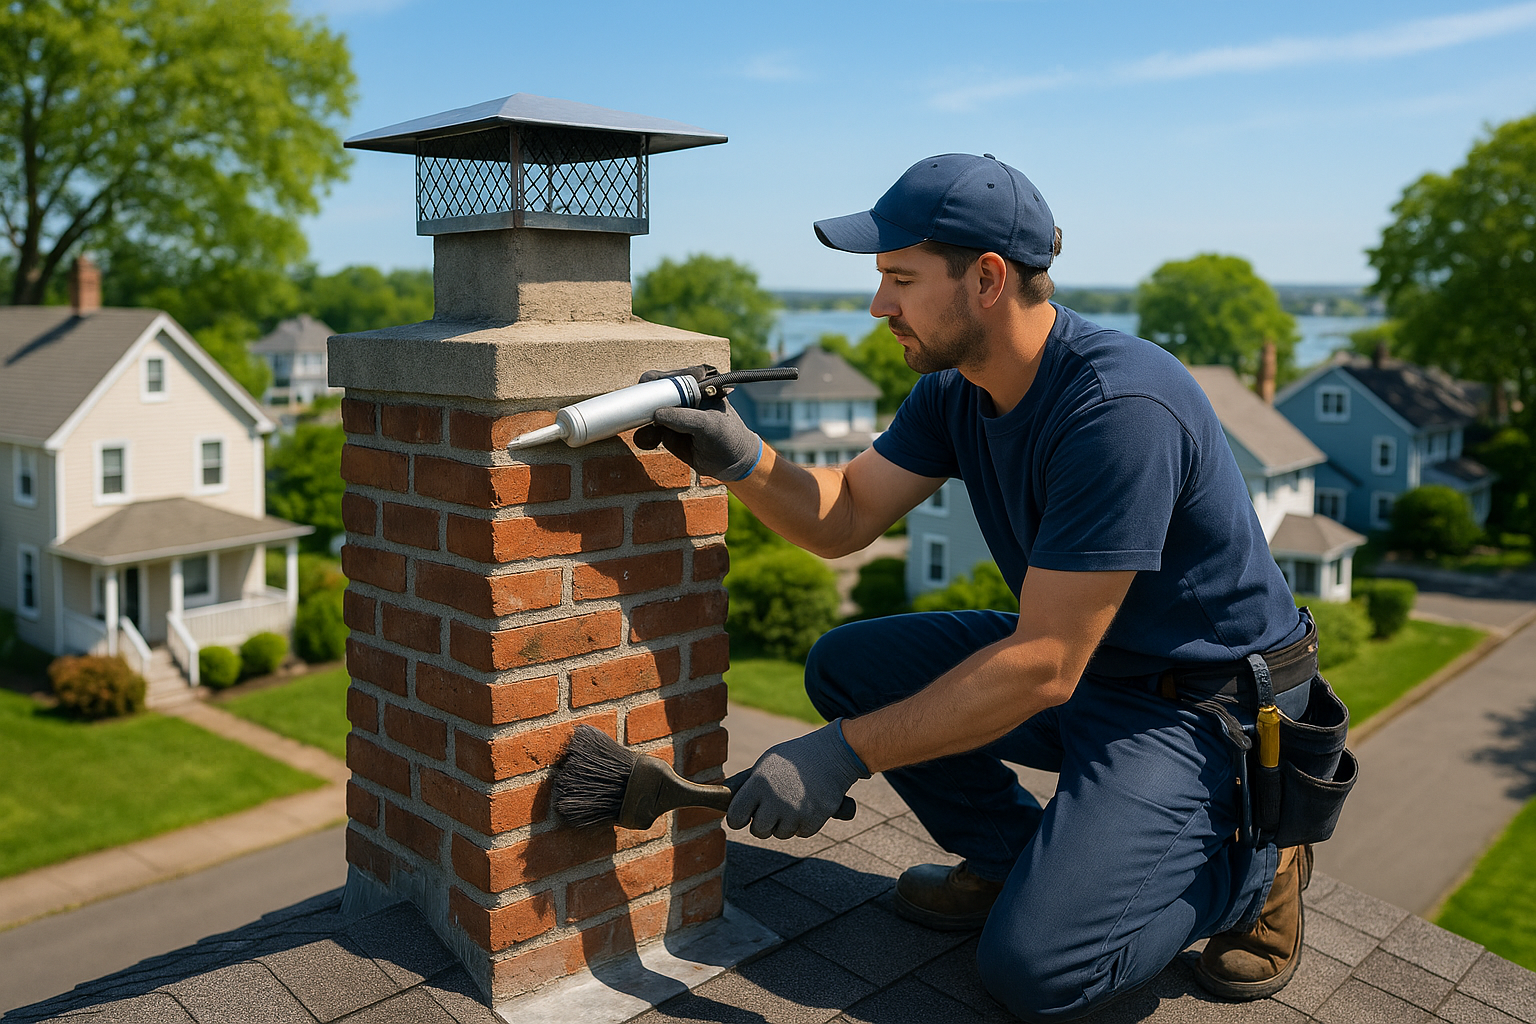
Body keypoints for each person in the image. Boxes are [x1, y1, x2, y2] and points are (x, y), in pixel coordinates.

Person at [635, 153, 1320, 1021]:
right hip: (1092, 665)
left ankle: (1256, 868)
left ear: (988, 279)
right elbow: (845, 515)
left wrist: (841, 753)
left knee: (1037, 972)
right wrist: (736, 454)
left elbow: (1044, 666)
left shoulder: (1119, 409)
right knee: (851, 665)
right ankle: (1010, 859)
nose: (877, 305)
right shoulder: (958, 392)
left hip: (1200, 708)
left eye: (899, 280)